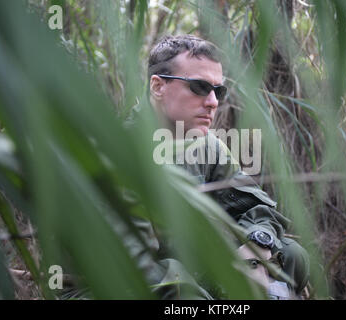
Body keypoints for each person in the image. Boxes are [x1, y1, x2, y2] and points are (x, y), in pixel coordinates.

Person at [132, 34, 309, 299]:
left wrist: (255, 251)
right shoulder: (122, 150)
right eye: (199, 87)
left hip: (188, 265)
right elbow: (135, 265)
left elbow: (256, 206)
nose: (213, 101)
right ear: (157, 87)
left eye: (219, 90)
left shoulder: (204, 145)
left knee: (292, 256)